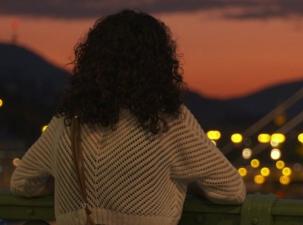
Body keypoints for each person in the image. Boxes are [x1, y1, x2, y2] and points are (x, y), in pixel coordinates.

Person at [10, 9, 246, 225]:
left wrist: (66, 183)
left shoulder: (68, 121)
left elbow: (22, 182)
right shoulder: (169, 123)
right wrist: (181, 184)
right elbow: (232, 190)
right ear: (160, 64)